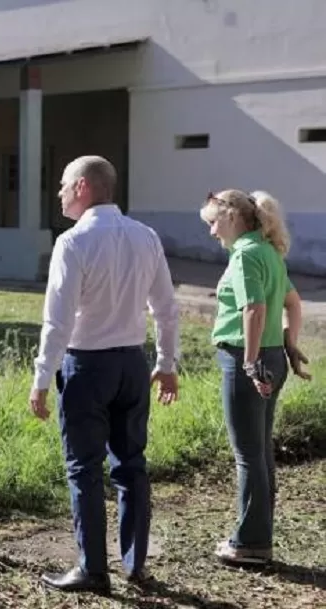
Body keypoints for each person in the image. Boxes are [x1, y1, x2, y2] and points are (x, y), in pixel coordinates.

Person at [30, 155, 181, 594]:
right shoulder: (145, 236)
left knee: (84, 469)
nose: (58, 193)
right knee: (132, 465)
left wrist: (42, 378)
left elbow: (57, 322)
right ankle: (135, 566)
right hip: (132, 364)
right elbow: (167, 310)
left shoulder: (73, 243)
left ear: (82, 187)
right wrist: (165, 364)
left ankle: (93, 569)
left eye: (62, 185)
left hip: (87, 365)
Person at [199, 189, 311, 566]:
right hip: (273, 356)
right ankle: (257, 537)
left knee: (248, 456)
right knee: (259, 453)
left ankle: (250, 544)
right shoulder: (269, 253)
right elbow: (293, 304)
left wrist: (248, 362)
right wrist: (289, 345)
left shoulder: (247, 255)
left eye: (214, 222)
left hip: (248, 360)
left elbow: (255, 309)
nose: (212, 231)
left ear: (232, 217)